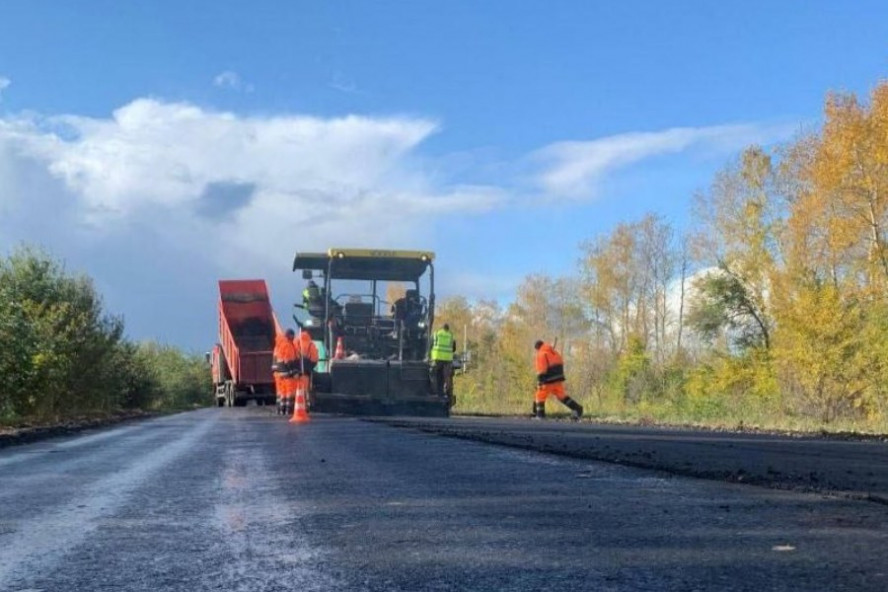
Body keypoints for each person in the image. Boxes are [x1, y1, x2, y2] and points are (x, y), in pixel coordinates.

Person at [533, 340, 583, 420]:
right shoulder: (554, 352)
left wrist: (540, 382)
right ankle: (577, 408)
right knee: (561, 396)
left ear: (537, 348)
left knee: (540, 395)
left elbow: (541, 370)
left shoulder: (541, 354)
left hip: (549, 379)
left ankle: (540, 415)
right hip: (558, 378)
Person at [273, 329, 300, 416]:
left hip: (280, 373)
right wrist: (293, 371)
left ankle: (281, 409)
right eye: (292, 335)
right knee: (289, 392)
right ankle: (288, 409)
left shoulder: (279, 346)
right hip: (287, 373)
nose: (293, 337)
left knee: (282, 393)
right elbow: (288, 361)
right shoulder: (287, 346)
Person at [430, 323, 456, 398]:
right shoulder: (451, 336)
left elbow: (430, 345)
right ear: (448, 329)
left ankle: (434, 391)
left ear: (441, 328)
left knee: (433, 373)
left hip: (437, 358)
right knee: (446, 376)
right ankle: (446, 391)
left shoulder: (436, 334)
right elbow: (454, 348)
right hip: (447, 360)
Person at [296, 328, 320, 397]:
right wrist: (311, 366)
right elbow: (315, 358)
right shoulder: (311, 344)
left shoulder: (296, 342)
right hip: (307, 370)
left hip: (296, 370)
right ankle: (306, 399)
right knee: (306, 387)